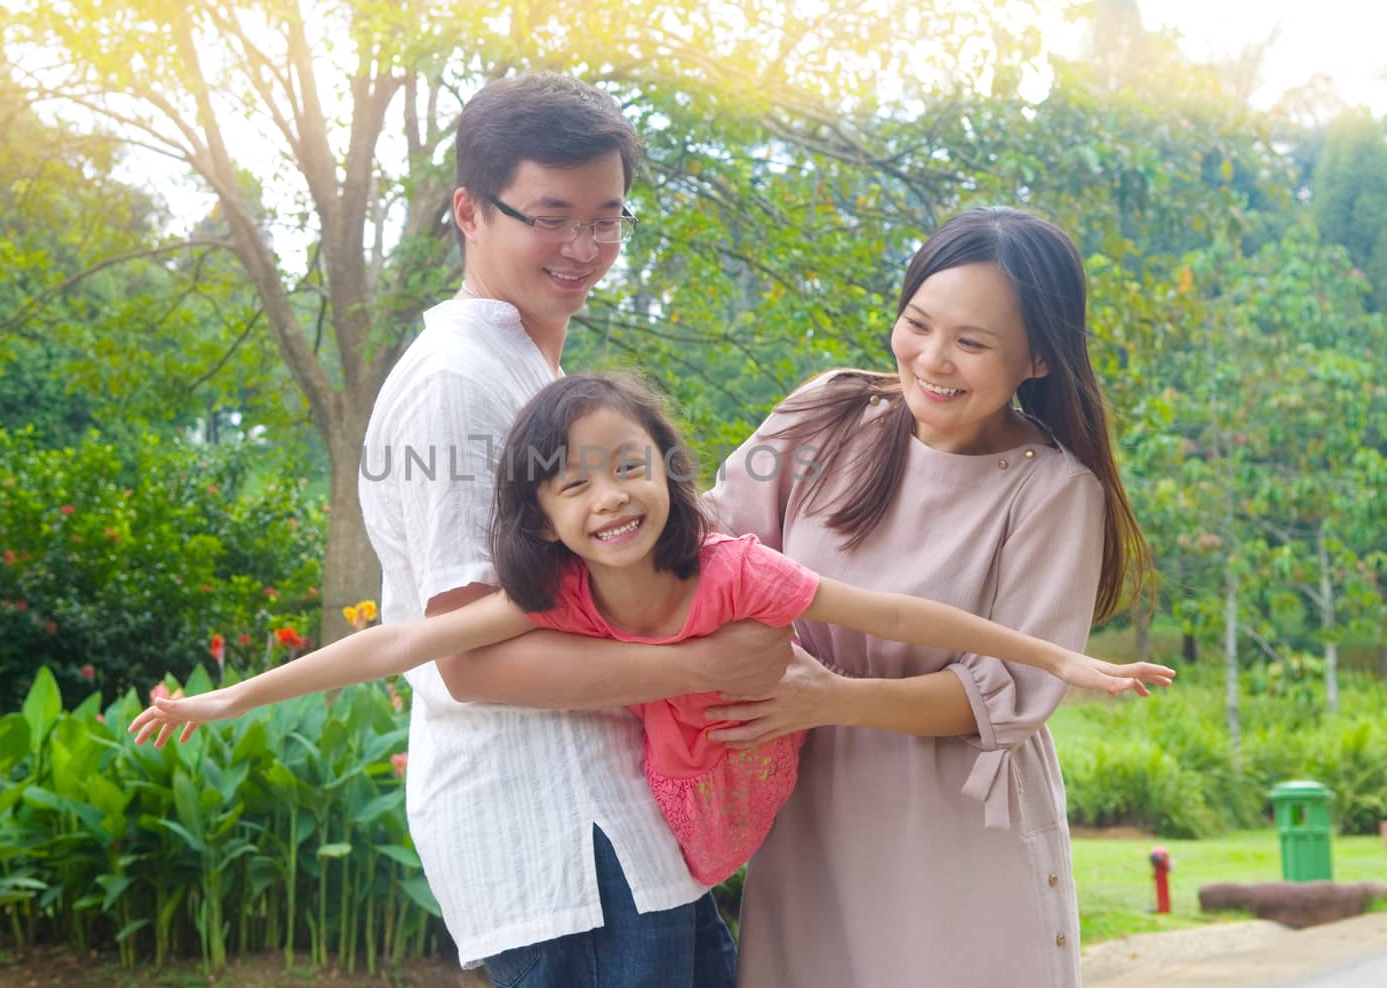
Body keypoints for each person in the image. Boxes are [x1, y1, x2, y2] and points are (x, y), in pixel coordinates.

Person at [128, 373, 1170, 887]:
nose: (608, 499)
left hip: (761, 799)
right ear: (541, 518)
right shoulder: (561, 593)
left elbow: (898, 613)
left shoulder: (734, 569)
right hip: (679, 826)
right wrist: (230, 695)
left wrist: (1056, 656)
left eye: (630, 466)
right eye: (572, 484)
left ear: (671, 474)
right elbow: (398, 642)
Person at [302, 72, 790, 988]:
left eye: (606, 218)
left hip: (623, 837)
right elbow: (470, 660)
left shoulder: (527, 372)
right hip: (560, 843)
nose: (583, 246)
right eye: (551, 215)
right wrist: (700, 666)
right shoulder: (459, 383)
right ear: (469, 212)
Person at [703, 206, 1154, 987]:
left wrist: (830, 697)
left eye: (972, 343)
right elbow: (714, 547)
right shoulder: (826, 413)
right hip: (807, 806)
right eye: (918, 323)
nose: (933, 359)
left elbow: (1003, 694)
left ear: (1038, 358)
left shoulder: (1051, 492)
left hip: (956, 827)